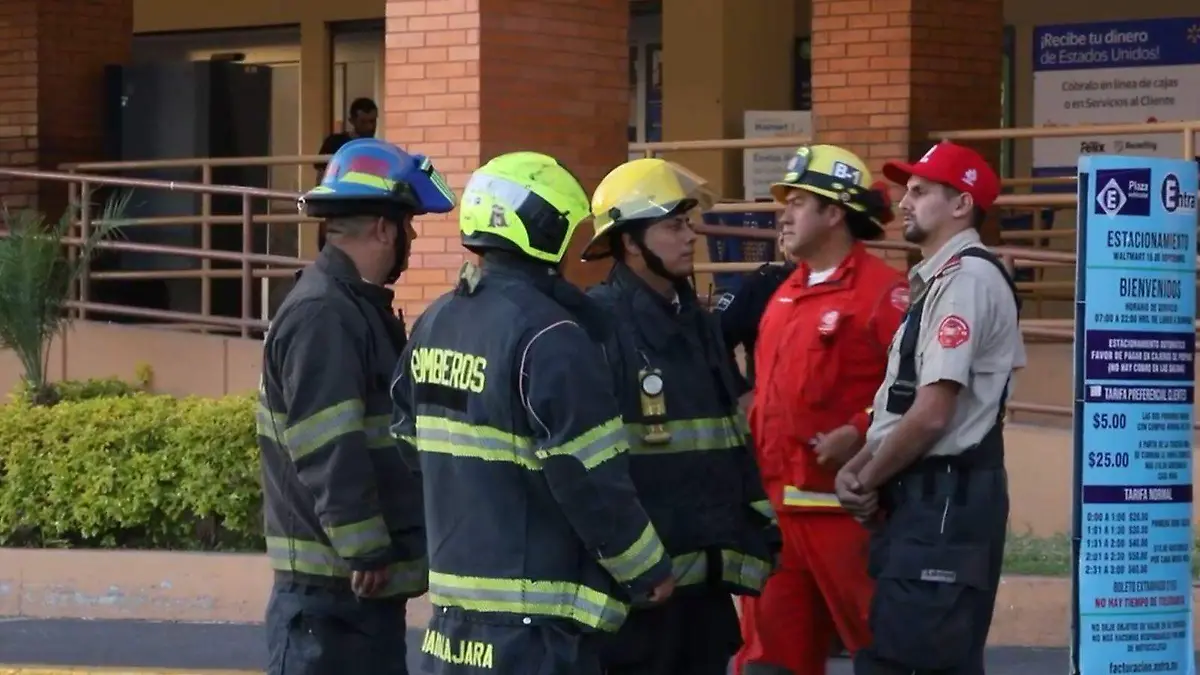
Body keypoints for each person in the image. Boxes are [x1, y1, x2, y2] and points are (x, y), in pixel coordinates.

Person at [389, 151, 676, 675]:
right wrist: (647, 568)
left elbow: (408, 443)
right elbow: (590, 477)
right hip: (536, 635)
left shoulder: (436, 321)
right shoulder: (552, 337)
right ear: (544, 228)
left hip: (452, 628)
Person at [258, 137, 456, 675]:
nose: (412, 238)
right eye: (409, 224)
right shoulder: (325, 313)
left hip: (350, 602)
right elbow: (328, 444)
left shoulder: (353, 308)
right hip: (331, 605)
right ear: (385, 228)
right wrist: (366, 548)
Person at [580, 158, 777, 675]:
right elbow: (590, 469)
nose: (690, 236)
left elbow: (730, 437)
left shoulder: (698, 322)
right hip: (637, 600)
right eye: (673, 224)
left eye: (688, 223)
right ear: (628, 242)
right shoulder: (597, 325)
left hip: (704, 592)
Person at [835, 141, 1024, 675]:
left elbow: (933, 413)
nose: (903, 202)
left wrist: (868, 476)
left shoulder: (965, 281)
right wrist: (861, 464)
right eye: (905, 191)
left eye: (919, 191)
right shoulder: (942, 279)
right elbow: (904, 402)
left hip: (944, 498)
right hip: (934, 498)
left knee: (909, 662)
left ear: (961, 204)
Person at [734, 145, 909, 675]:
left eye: (798, 203)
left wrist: (859, 430)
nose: (783, 215)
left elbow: (916, 391)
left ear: (834, 212)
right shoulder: (785, 292)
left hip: (848, 517)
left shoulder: (885, 294)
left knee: (882, 652)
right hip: (777, 518)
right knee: (769, 660)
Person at [714, 236, 796, 396]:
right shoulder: (758, 286)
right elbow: (715, 340)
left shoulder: (851, 286)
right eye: (788, 233)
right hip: (770, 406)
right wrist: (741, 393)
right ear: (781, 243)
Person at [314, 98, 381, 250]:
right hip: (336, 207)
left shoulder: (377, 148)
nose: (370, 127)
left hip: (363, 210)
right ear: (352, 121)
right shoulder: (335, 143)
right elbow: (321, 177)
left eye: (373, 121)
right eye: (364, 122)